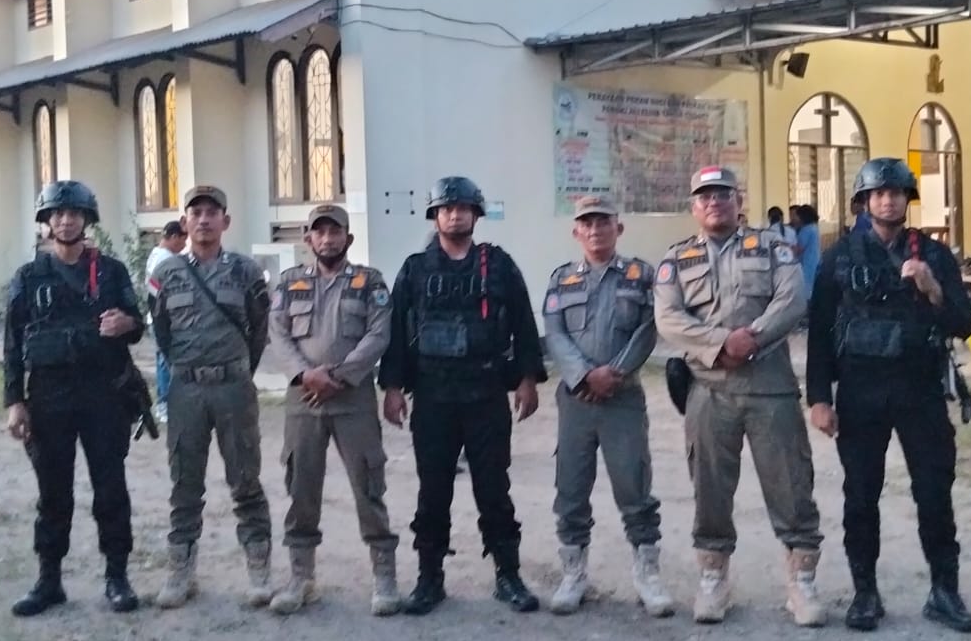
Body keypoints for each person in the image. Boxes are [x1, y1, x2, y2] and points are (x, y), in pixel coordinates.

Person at [805, 157, 971, 635]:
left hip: (919, 388)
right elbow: (820, 331)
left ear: (908, 200)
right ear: (863, 201)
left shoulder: (935, 254)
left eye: (897, 192)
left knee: (934, 491)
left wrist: (932, 289)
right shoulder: (839, 256)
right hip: (861, 391)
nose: (888, 199)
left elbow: (964, 324)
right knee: (860, 494)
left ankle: (944, 590)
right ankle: (865, 593)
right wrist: (819, 397)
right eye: (878, 193)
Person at [653, 165, 824, 626]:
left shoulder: (772, 248)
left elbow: (792, 299)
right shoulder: (677, 258)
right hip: (709, 390)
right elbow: (668, 318)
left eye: (722, 193)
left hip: (770, 387)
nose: (714, 202)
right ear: (694, 206)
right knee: (709, 487)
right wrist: (718, 345)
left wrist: (753, 338)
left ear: (737, 199)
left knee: (791, 484)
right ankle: (713, 580)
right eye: (705, 195)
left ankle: (801, 582)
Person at [379, 175, 547, 616]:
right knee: (432, 491)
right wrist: (392, 387)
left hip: (487, 393)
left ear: (476, 214)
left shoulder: (500, 265)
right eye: (446, 208)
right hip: (433, 397)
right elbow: (396, 331)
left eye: (463, 207)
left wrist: (528, 378)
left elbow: (525, 325)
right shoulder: (415, 269)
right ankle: (429, 578)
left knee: (494, 489)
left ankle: (508, 575)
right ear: (435, 215)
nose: (455, 214)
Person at [3, 179, 144, 617]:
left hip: (103, 394)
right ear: (46, 222)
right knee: (53, 492)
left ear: (87, 220)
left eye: (74, 214)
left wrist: (126, 325)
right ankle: (49, 581)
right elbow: (12, 344)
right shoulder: (28, 278)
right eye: (57, 214)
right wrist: (14, 401)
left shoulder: (112, 271)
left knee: (110, 488)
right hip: (49, 398)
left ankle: (117, 577)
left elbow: (137, 323)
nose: (66, 220)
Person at [540, 195, 673, 618]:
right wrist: (584, 375)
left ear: (619, 228)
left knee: (633, 484)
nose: (595, 229)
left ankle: (647, 573)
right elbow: (555, 333)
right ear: (576, 231)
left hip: (623, 397)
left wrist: (613, 373)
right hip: (576, 399)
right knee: (571, 486)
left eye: (603, 222)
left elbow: (648, 329)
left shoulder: (640, 276)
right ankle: (573, 574)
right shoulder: (562, 280)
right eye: (587, 223)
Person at [267, 204, 401, 616]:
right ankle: (300, 578)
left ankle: (384, 577)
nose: (327, 239)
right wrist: (306, 376)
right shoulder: (290, 284)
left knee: (368, 486)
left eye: (335, 232)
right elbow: (278, 333)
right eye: (319, 232)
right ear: (307, 238)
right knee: (301, 488)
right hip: (303, 400)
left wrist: (339, 376)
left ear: (348, 238)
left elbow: (379, 334)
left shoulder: (369, 282)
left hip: (352, 399)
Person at [149, 185, 272, 610]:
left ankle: (259, 570)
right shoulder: (165, 274)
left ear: (226, 221)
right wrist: (189, 368)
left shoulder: (246, 272)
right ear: (184, 222)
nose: (203, 219)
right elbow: (161, 332)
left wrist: (236, 370)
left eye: (212, 212)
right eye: (195, 212)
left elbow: (259, 329)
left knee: (245, 480)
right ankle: (180, 572)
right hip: (186, 390)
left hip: (234, 389)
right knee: (185, 483)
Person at [143, 219, 187, 423]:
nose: (184, 246)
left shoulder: (155, 254)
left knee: (164, 361)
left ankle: (166, 403)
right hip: (163, 317)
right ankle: (164, 404)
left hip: (155, 316)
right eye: (182, 241)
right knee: (165, 362)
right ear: (174, 237)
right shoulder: (166, 259)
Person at [792, 205, 822, 301]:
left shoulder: (806, 230)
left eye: (796, 216)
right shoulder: (814, 227)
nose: (794, 218)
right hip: (814, 260)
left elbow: (798, 249)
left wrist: (784, 246)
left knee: (805, 288)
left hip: (806, 263)